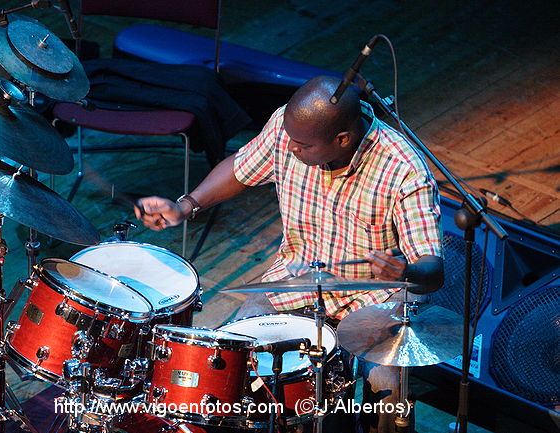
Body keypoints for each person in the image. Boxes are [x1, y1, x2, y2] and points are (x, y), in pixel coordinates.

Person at [134, 76, 444, 433]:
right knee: (233, 357)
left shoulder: (404, 168)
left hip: (375, 297)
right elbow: (241, 168)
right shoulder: (290, 129)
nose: (291, 148)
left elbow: (432, 269)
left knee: (387, 388)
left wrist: (405, 272)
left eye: (303, 145)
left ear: (342, 139)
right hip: (296, 279)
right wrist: (186, 205)